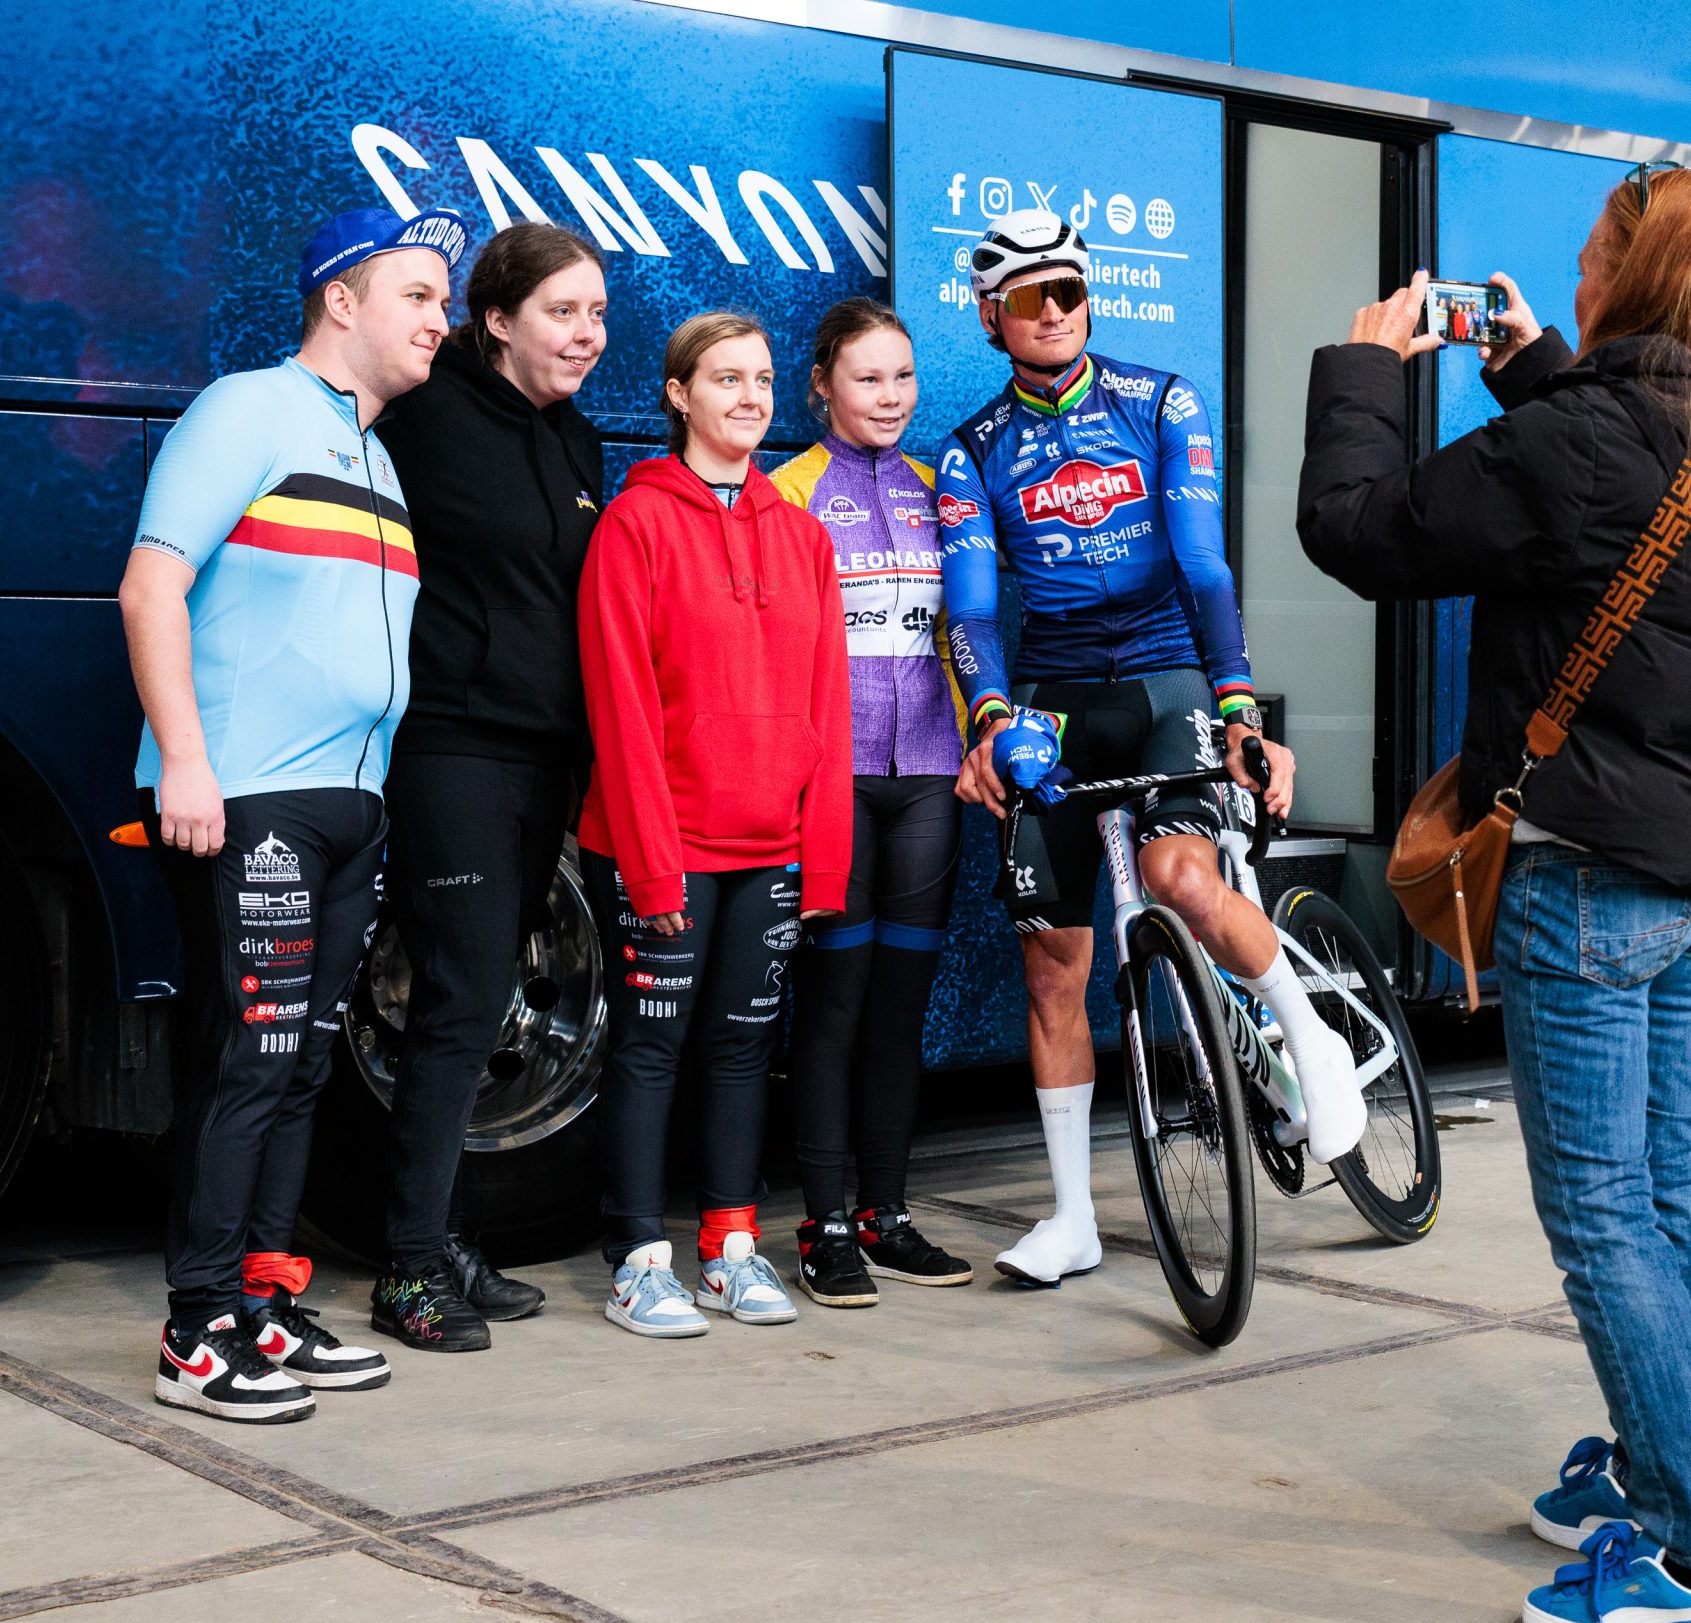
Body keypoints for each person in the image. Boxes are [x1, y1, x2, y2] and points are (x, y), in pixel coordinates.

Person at [1297, 166, 1691, 1623]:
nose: (1577, 268)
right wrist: (1534, 363)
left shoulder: (1586, 440)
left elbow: (1361, 528)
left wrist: (1363, 364)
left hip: (1592, 874)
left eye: (1593, 255)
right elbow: (1644, 471)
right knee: (1665, 1188)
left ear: (1624, 283)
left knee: (1603, 1212)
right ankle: (1656, 1455)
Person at [939, 208, 1367, 1287]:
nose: (1052, 313)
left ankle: (1308, 1041)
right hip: (1056, 695)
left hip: (1166, 671)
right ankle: (1075, 1219)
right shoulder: (971, 450)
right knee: (1053, 965)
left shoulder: (1161, 400)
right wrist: (991, 718)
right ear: (989, 315)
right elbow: (974, 613)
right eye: (1028, 297)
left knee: (1181, 875)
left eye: (1069, 291)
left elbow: (1204, 566)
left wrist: (1235, 706)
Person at [121, 203, 470, 1422]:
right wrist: (185, 762)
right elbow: (151, 581)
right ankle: (195, 1333)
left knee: (305, 1062)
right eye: (420, 295)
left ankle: (261, 1300)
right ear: (342, 299)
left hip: (348, 810)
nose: (444, 318)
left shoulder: (375, 453)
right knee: (251, 1060)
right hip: (249, 798)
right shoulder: (246, 408)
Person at [578, 311, 852, 1338]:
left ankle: (730, 1248)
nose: (749, 397)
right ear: (677, 395)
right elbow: (620, 711)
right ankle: (636, 1256)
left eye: (762, 379)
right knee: (650, 1052)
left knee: (742, 1051)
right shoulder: (634, 524)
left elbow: (829, 709)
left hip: (768, 849)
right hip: (668, 848)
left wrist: (820, 862)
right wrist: (651, 869)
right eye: (724, 379)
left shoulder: (801, 536)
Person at [368, 223, 607, 1352]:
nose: (586, 335)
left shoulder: (576, 444)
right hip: (450, 746)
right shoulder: (418, 417)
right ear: (496, 319)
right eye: (562, 312)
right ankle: (408, 1268)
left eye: (597, 315)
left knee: (481, 999)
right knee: (458, 1002)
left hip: (542, 756)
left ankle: (445, 1239)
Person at [771, 299, 973, 1307]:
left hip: (929, 776)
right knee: (834, 1009)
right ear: (821, 385)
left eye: (902, 378)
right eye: (866, 378)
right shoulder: (788, 491)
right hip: (834, 783)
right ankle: (823, 1224)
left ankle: (888, 1214)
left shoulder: (942, 491)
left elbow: (963, 627)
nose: (888, 397)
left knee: (901, 1013)